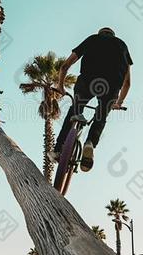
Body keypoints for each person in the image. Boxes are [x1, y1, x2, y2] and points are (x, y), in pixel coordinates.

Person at [49, 27, 133, 171]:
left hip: (87, 82)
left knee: (75, 110)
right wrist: (119, 102)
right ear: (113, 36)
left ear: (100, 33)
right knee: (101, 116)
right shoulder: (122, 45)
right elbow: (127, 83)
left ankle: (57, 149)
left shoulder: (92, 39)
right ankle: (90, 143)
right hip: (111, 87)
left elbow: (65, 66)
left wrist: (61, 86)